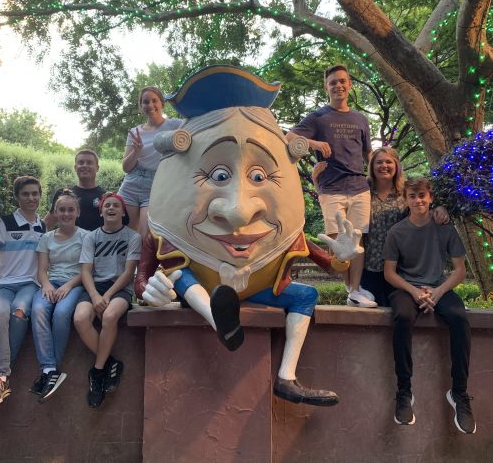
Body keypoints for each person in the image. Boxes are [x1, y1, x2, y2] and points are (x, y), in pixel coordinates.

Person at [135, 65, 364, 407]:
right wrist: (149, 292)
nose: (239, 211)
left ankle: (287, 377)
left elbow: (331, 266)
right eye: (218, 175)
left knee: (305, 296)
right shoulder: (161, 236)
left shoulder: (291, 236)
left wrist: (342, 258)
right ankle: (217, 318)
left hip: (258, 287)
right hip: (202, 289)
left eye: (259, 176)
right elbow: (142, 279)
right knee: (179, 275)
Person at [384, 177, 475, 434]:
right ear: (405, 199)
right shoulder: (396, 232)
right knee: (403, 317)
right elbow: (389, 272)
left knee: (459, 318)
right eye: (412, 196)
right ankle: (404, 392)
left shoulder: (445, 228)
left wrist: (437, 292)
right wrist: (415, 292)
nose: (418, 200)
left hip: (438, 287)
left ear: (430, 197)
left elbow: (460, 270)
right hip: (407, 289)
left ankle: (459, 393)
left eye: (422, 195)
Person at [287, 65, 374, 308]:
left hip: (359, 187)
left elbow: (368, 153)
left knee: (357, 242)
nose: (339, 86)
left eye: (343, 81)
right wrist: (314, 143)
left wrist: (382, 175)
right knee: (338, 243)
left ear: (350, 85)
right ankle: (349, 288)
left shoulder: (360, 119)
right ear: (326, 87)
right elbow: (289, 137)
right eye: (333, 82)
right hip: (331, 188)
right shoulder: (318, 117)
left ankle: (355, 290)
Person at [73, 192, 141, 408]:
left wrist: (108, 296)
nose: (111, 208)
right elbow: (85, 271)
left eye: (116, 205)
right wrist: (95, 295)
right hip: (95, 287)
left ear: (123, 212)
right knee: (80, 318)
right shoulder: (91, 237)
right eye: (107, 206)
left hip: (120, 288)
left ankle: (98, 371)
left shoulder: (133, 237)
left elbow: (128, 273)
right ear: (101, 212)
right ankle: (111, 361)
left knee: (109, 316)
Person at [361, 147, 449, 307]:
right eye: (379, 162)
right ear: (372, 166)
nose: (384, 166)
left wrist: (440, 208)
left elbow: (425, 204)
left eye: (389, 162)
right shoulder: (362, 190)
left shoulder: (406, 191)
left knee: (401, 312)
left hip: (401, 269)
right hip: (370, 266)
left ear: (396, 165)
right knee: (371, 315)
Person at [30, 190, 87, 402]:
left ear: (78, 212)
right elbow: (42, 270)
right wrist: (46, 285)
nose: (66, 214)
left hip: (75, 284)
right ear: (55, 212)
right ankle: (49, 370)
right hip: (51, 282)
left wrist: (68, 286)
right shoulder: (46, 238)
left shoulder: (86, 237)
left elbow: (87, 271)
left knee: (61, 313)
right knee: (38, 310)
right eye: (61, 210)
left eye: (70, 209)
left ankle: (51, 369)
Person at [0, 176, 46, 404]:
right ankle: (1, 375)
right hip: (2, 284)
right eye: (25, 194)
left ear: (40, 196)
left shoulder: (43, 226)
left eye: (35, 193)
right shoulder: (3, 223)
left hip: (29, 284)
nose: (31, 198)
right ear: (17, 197)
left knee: (18, 313)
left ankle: (0, 376)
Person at [118, 86, 182, 239]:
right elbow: (126, 167)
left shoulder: (175, 125)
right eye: (145, 102)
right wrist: (136, 151)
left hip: (155, 184)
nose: (150, 105)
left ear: (162, 103)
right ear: (141, 106)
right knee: (123, 233)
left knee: (145, 235)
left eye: (154, 101)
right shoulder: (135, 132)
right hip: (132, 183)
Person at [44, 149, 105, 232]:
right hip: (68, 240)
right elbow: (47, 224)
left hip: (97, 240)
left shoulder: (105, 197)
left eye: (89, 162)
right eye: (81, 162)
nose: (84, 165)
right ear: (75, 168)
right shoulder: (63, 194)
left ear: (97, 168)